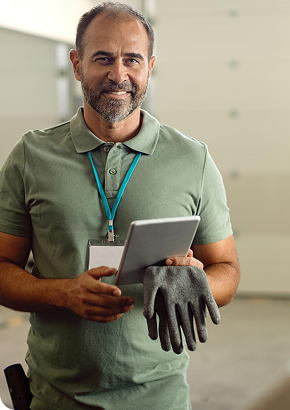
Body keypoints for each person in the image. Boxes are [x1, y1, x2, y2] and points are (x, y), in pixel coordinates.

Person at [0, 2, 240, 410]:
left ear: (149, 67)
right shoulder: (31, 155)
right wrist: (63, 293)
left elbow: (227, 270)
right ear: (77, 64)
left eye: (132, 59)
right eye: (102, 58)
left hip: (159, 398)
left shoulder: (192, 159)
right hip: (55, 396)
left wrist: (197, 282)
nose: (118, 74)